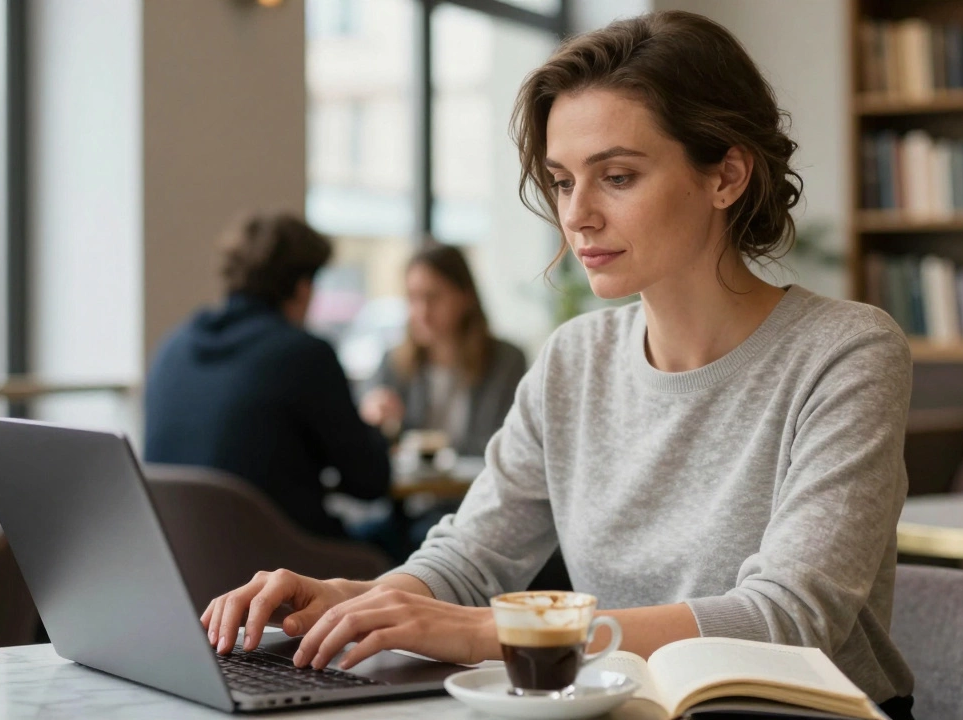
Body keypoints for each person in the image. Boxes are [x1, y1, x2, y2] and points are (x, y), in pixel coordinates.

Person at [201, 12, 916, 719]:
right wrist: (353, 599)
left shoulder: (847, 351)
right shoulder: (573, 359)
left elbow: (786, 619)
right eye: (563, 181)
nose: (578, 215)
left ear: (726, 174)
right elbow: (473, 560)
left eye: (618, 176)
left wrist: (490, 632)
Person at [144, 212, 392, 541]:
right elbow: (370, 482)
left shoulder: (174, 346)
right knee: (410, 540)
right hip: (281, 566)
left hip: (184, 561)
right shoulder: (303, 354)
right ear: (303, 288)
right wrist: (380, 429)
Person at [359, 243, 526, 459]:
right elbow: (370, 429)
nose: (422, 312)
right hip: (412, 491)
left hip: (479, 487)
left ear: (465, 297)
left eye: (433, 297)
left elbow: (502, 442)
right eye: (413, 298)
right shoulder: (394, 361)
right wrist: (372, 412)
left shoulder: (506, 360)